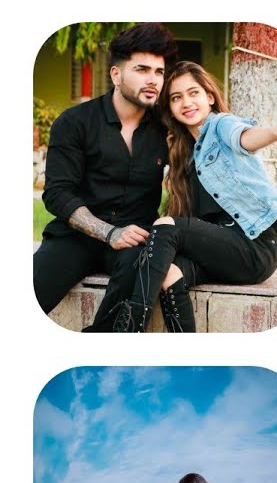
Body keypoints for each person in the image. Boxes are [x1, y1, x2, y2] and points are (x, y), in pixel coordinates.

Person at [97, 60, 277, 331]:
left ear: (209, 96)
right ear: (170, 108)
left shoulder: (221, 126)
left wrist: (274, 133)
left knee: (166, 226)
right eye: (176, 97)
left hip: (252, 247)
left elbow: (244, 137)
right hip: (218, 253)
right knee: (168, 275)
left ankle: (131, 326)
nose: (186, 102)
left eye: (193, 93)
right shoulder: (183, 155)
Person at [34, 23, 176, 317]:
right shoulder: (75, 122)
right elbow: (58, 193)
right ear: (116, 74)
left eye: (159, 72)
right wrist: (109, 233)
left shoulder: (167, 129)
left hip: (135, 240)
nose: (153, 80)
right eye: (142, 69)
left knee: (134, 291)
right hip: (73, 237)